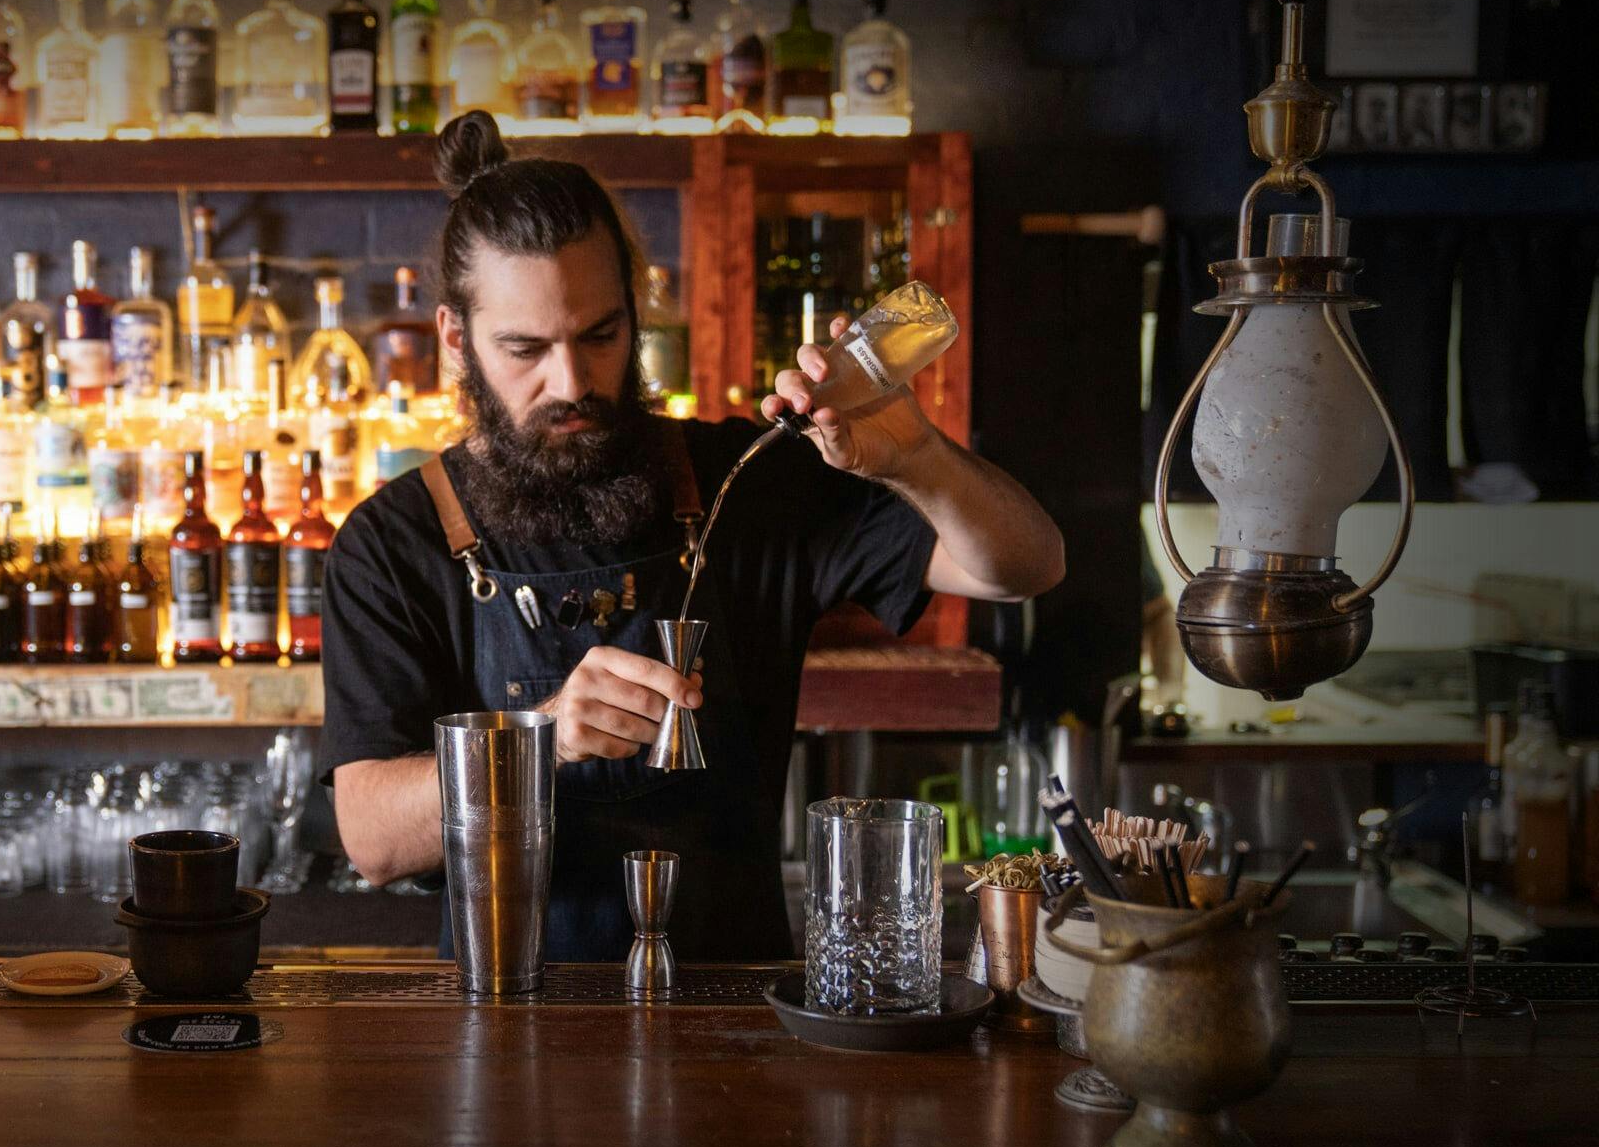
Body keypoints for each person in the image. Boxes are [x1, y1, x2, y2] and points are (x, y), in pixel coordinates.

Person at [318, 111, 1064, 961]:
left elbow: (1025, 565)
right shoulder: (393, 542)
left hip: (739, 1025)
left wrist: (916, 456)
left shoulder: (746, 481)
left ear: (638, 312)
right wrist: (542, 737)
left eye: (600, 336)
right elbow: (372, 839)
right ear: (456, 337)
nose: (572, 381)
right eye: (525, 348)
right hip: (506, 1028)